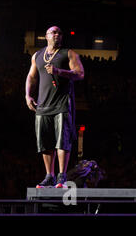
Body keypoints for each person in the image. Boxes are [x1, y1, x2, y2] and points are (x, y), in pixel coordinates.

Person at [25, 26, 84, 188]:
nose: (57, 34)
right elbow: (31, 76)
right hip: (43, 105)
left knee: (62, 141)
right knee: (44, 142)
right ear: (46, 36)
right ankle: (49, 176)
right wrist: (28, 95)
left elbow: (80, 74)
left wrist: (59, 71)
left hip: (62, 104)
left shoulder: (68, 53)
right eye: (53, 32)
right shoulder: (37, 55)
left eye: (59, 33)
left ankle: (61, 176)